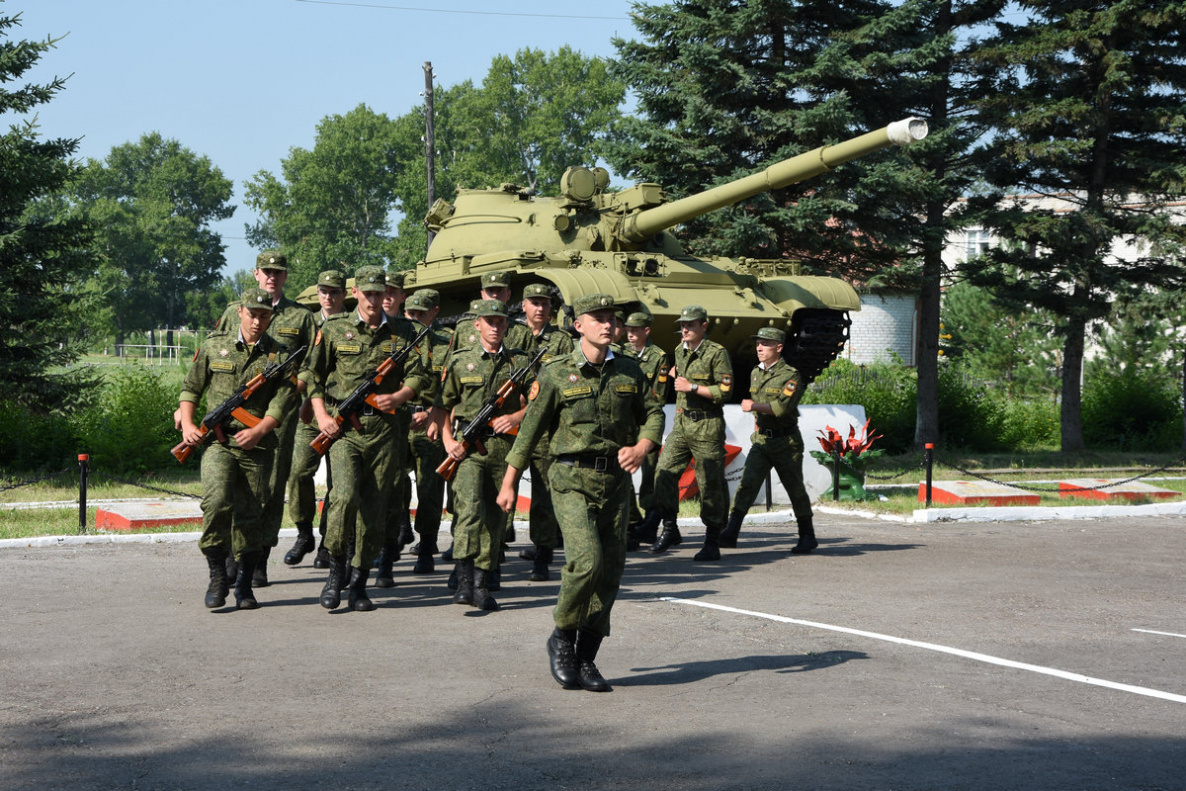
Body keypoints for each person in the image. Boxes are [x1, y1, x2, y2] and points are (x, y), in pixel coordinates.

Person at [497, 293, 664, 692]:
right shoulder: (556, 373)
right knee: (586, 562)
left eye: (612, 319)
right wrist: (508, 481)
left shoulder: (628, 370)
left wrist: (642, 446)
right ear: (579, 326)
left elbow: (654, 413)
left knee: (610, 573)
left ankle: (587, 656)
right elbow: (531, 430)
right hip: (571, 477)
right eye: (599, 318)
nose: (608, 325)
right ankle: (562, 636)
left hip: (616, 482)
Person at [305, 265, 428, 612]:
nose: (374, 300)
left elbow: (421, 373)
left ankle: (359, 581)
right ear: (355, 292)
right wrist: (321, 415)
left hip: (386, 431)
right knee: (343, 497)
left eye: (379, 293)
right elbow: (312, 374)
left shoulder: (406, 332)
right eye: (368, 293)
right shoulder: (334, 329)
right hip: (344, 430)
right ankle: (335, 572)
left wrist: (401, 396)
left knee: (374, 510)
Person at [178, 287, 298, 610]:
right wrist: (189, 426)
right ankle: (218, 575)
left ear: (270, 317)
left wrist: (259, 429)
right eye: (252, 314)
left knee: (251, 515)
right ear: (241, 312)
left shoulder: (280, 356)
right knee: (216, 503)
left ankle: (245, 583)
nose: (257, 322)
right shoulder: (215, 347)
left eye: (264, 316)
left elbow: (283, 401)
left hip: (257, 446)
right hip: (219, 442)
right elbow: (191, 388)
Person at [213, 251, 316, 587]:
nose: (272, 276)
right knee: (229, 485)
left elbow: (313, 364)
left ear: (285, 277)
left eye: (278, 272)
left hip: (277, 418)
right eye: (267, 271)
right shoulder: (234, 311)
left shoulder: (301, 317)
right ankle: (230, 556)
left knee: (270, 489)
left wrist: (289, 388)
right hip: (233, 414)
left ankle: (259, 558)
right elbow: (213, 353)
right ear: (256, 273)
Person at [435, 299, 532, 612]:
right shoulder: (461, 361)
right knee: (470, 510)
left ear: (507, 326)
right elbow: (442, 405)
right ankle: (463, 581)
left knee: (495, 517)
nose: (495, 327)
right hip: (467, 447)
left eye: (500, 322)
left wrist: (516, 418)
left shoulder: (520, 363)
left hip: (502, 446)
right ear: (477, 324)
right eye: (489, 321)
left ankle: (481, 583)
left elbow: (540, 402)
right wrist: (449, 440)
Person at [643, 304, 733, 561]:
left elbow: (724, 392)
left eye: (690, 325)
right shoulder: (678, 351)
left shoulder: (717, 353)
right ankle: (671, 528)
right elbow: (678, 376)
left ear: (703, 326)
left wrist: (692, 386)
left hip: (707, 425)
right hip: (682, 425)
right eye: (682, 325)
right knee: (663, 472)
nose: (684, 329)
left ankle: (712, 540)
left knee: (709, 482)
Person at [719, 327, 817, 553]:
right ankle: (731, 532)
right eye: (758, 343)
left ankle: (807, 535)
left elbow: (781, 408)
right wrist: (757, 423)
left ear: (779, 347)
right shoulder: (756, 372)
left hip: (786, 442)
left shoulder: (791, 375)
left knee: (795, 489)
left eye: (766, 343)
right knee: (747, 485)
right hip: (762, 441)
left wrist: (753, 406)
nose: (759, 347)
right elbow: (760, 407)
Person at [505, 282, 574, 581]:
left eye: (545, 303)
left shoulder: (560, 341)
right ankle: (491, 554)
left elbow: (564, 379)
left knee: (544, 495)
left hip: (545, 428)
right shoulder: (511, 335)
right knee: (500, 486)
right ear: (523, 306)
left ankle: (543, 556)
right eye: (534, 302)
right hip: (507, 423)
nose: (540, 307)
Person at [284, 269, 346, 567]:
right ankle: (303, 532)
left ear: (344, 294)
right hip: (308, 411)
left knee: (339, 481)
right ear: (318, 293)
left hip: (341, 412)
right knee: (298, 472)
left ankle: (327, 541)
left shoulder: (352, 324)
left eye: (335, 291)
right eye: (324, 291)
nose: (329, 296)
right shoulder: (308, 323)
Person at [399, 288, 453, 574]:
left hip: (431, 421)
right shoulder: (395, 344)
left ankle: (427, 543)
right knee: (391, 479)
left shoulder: (446, 345)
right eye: (411, 314)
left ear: (435, 313)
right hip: (398, 421)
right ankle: (399, 528)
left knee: (430, 487)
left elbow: (452, 387)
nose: (416, 319)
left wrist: (433, 414)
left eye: (422, 313)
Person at [622, 310, 671, 547]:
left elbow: (657, 396)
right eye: (628, 330)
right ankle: (632, 524)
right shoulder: (620, 353)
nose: (630, 335)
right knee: (623, 473)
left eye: (635, 331)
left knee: (650, 477)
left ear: (646, 331)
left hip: (646, 423)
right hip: (625, 422)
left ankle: (650, 526)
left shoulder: (658, 357)